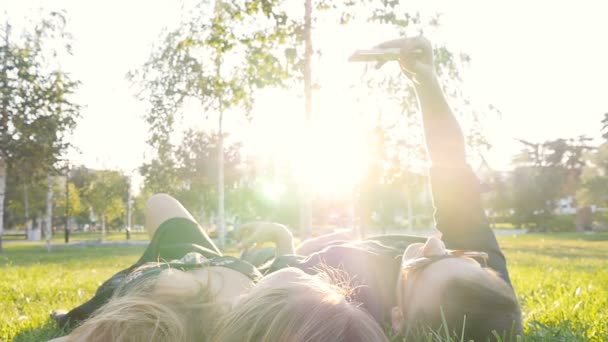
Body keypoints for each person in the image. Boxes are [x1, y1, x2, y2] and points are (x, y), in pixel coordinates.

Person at [238, 36, 522, 341]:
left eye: (423, 266)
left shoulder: (347, 300)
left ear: (397, 321)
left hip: (266, 262)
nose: (435, 244)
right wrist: (425, 79)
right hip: (342, 247)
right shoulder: (482, 289)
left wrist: (283, 239)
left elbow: (276, 283)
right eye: (458, 254)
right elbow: (450, 159)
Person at [50, 194, 388, 342]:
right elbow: (289, 262)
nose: (327, 279)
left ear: (266, 313)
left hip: (175, 262)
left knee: (159, 202)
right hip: (213, 259)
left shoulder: (167, 311)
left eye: (327, 290)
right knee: (160, 202)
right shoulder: (275, 299)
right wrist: (279, 234)